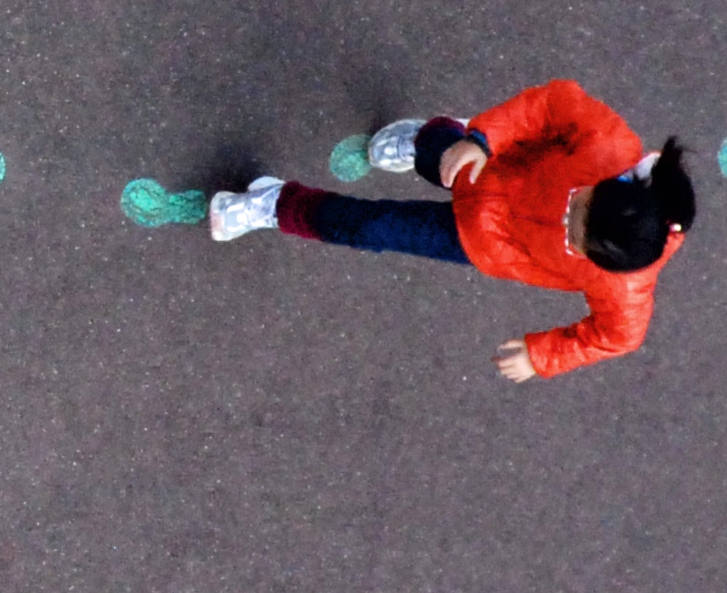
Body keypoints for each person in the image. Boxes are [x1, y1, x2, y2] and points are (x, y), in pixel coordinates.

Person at [209, 82, 693, 381]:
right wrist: (485, 139)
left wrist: (544, 356)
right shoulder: (609, 145)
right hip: (495, 167)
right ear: (613, 183)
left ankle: (273, 202)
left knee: (371, 227)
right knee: (438, 151)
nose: (568, 219)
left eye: (575, 237)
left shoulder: (625, 289)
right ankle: (433, 133)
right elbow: (552, 105)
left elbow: (617, 337)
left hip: (483, 241)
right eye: (579, 202)